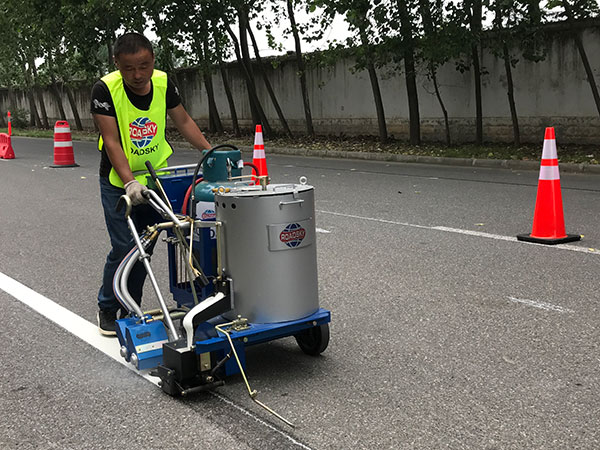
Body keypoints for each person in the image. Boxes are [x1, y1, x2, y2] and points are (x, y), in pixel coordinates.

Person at [91, 32, 211, 336]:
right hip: (119, 182)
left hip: (156, 178)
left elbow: (183, 121)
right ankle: (107, 307)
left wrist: (209, 153)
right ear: (116, 63)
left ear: (153, 60)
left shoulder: (163, 82)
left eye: (144, 66)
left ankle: (132, 307)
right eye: (129, 68)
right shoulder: (105, 89)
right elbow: (112, 141)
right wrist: (129, 182)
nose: (137, 74)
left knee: (147, 245)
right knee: (125, 247)